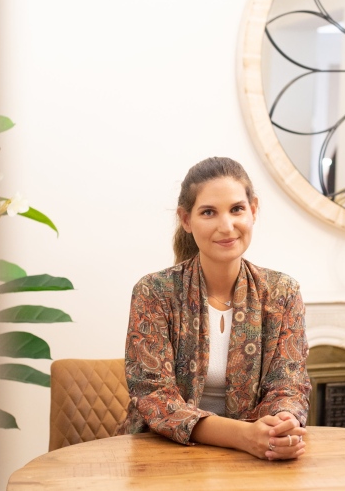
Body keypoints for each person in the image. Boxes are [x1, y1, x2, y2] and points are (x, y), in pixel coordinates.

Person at [117, 157, 311, 460]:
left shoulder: (283, 293)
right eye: (208, 212)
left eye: (237, 209)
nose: (226, 226)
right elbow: (155, 397)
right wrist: (244, 436)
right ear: (186, 219)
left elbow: (289, 385)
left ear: (253, 210)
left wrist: (281, 425)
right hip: (161, 453)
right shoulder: (154, 292)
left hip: (253, 456)